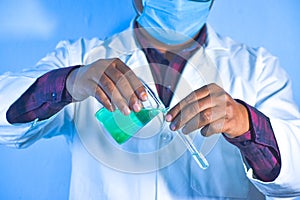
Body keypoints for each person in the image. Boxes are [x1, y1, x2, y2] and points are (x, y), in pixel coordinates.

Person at [1, 0, 300, 199]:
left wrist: (244, 122)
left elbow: (294, 179)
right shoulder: (82, 57)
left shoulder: (257, 69)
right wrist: (69, 82)